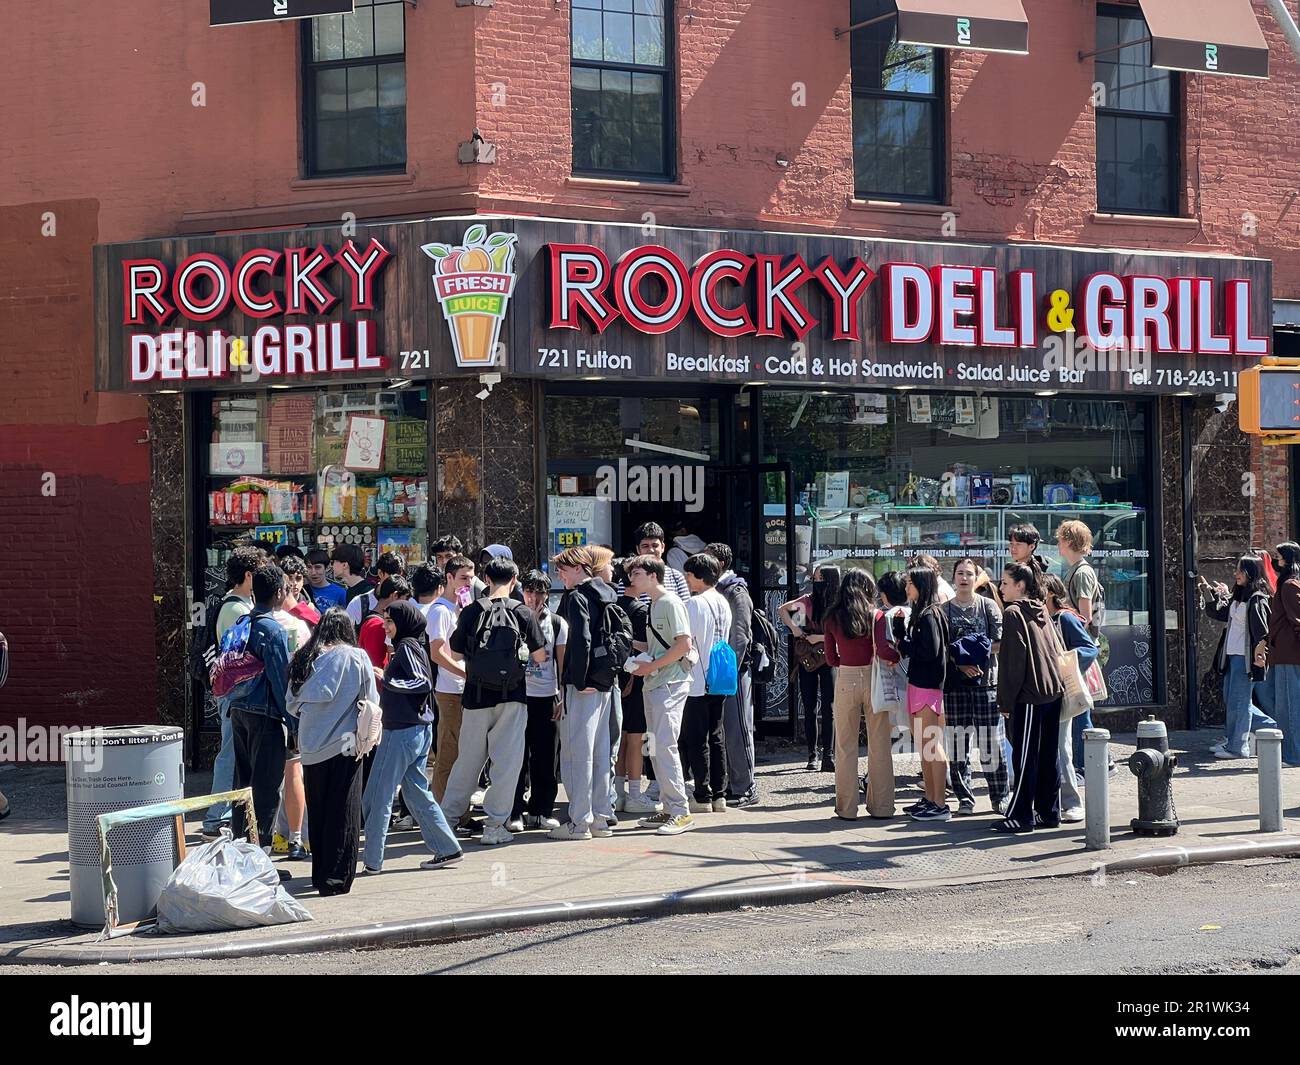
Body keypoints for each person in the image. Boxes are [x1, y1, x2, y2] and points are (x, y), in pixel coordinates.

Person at [441, 557, 547, 845]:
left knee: (468, 762)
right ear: (514, 581)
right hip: (513, 695)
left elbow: (457, 653)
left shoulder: (473, 611)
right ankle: (495, 826)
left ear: (486, 580)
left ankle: (447, 821)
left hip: (475, 695)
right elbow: (540, 656)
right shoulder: (522, 612)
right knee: (506, 762)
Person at [361, 601, 464, 871]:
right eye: (385, 621)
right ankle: (447, 848)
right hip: (416, 730)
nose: (386, 626)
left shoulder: (406, 647)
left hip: (402, 731)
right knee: (417, 793)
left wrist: (387, 679)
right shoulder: (412, 645)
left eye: (390, 621)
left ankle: (372, 861)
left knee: (378, 795)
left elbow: (421, 682)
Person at [286, 609, 376, 895]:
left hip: (312, 745)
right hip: (346, 745)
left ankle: (320, 873)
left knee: (319, 809)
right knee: (344, 811)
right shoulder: (357, 657)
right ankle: (337, 878)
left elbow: (291, 702)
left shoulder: (305, 658)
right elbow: (371, 700)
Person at [626, 554, 697, 835]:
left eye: (637, 574)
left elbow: (683, 644)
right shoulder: (655, 603)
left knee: (664, 746)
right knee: (655, 747)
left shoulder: (669, 602)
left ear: (653, 575)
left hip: (669, 683)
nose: (632, 579)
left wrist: (650, 666)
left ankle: (680, 811)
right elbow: (661, 644)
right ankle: (670, 807)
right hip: (656, 683)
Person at [552, 546, 619, 841]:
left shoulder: (577, 597)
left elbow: (580, 640)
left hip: (583, 685)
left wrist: (577, 681)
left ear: (578, 569)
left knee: (576, 754)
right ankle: (600, 819)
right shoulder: (607, 594)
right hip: (606, 682)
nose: (559, 575)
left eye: (563, 569)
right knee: (600, 752)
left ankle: (579, 822)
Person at [993, 562, 1065, 834]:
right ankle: (1049, 812)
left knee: (1025, 758)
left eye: (1005, 583)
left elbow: (1013, 662)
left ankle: (1021, 815)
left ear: (1019, 585)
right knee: (1048, 754)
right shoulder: (1040, 608)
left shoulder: (1013, 613)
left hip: (1030, 694)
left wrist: (1005, 702)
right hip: (1052, 691)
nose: (1001, 588)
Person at [228, 565, 293, 856]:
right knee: (265, 789)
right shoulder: (272, 630)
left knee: (242, 786)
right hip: (265, 714)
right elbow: (281, 681)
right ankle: (260, 857)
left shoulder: (241, 622)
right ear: (279, 592)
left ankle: (239, 849)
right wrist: (293, 723)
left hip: (239, 709)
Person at [202, 546, 263, 838]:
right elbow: (240, 659)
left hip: (233, 694)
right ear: (249, 575)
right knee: (230, 755)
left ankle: (224, 815)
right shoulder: (236, 610)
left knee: (233, 754)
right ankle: (216, 818)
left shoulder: (235, 606)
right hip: (235, 694)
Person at [943, 558, 1008, 817]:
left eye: (969, 574)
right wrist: (960, 663)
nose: (964, 578)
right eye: (960, 573)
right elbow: (941, 647)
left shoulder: (988, 606)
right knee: (958, 743)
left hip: (986, 683)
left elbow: (1002, 641)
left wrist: (974, 656)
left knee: (991, 743)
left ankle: (999, 796)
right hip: (956, 686)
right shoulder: (944, 610)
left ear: (976, 577)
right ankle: (964, 798)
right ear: (953, 577)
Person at [892, 567, 951, 822]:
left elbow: (930, 652)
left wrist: (903, 641)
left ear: (921, 584)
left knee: (931, 745)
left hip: (928, 688)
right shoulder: (924, 613)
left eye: (910, 583)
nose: (906, 588)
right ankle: (930, 798)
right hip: (920, 686)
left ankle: (939, 802)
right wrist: (902, 634)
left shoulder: (930, 614)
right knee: (925, 746)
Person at [1055, 519, 1113, 776]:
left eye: (1060, 539)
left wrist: (1062, 614)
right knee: (1079, 706)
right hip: (1079, 645)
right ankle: (1092, 760)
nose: (1058, 544)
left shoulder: (1082, 572)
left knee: (1079, 706)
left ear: (1068, 541)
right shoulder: (1076, 570)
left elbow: (1085, 615)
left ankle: (1091, 762)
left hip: (1082, 646)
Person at [1204, 555, 1277, 759]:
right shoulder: (1240, 597)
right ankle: (1245, 736)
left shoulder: (1258, 599)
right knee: (1233, 699)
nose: (1235, 574)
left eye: (1240, 570)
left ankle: (1239, 746)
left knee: (1240, 702)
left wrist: (1260, 655)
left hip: (1246, 658)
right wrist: (1213, 594)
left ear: (1251, 572)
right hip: (1232, 656)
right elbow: (1220, 614)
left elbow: (1262, 632)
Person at [514, 570, 567, 830]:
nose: (533, 597)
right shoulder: (514, 616)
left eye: (539, 592)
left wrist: (562, 697)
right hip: (518, 695)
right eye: (529, 591)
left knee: (546, 756)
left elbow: (561, 663)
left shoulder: (557, 623)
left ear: (547, 594)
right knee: (515, 756)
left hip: (546, 695)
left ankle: (543, 809)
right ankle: (515, 811)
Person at [270, 557, 315, 861]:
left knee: (289, 775)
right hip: (295, 704)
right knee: (292, 773)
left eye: (300, 577)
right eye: (292, 578)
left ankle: (287, 834)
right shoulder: (299, 621)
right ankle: (291, 835)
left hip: (270, 706)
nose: (297, 584)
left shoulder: (304, 615)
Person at [706, 543, 757, 808]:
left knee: (738, 729)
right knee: (724, 730)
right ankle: (730, 784)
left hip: (733, 672)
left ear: (720, 564)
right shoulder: (718, 590)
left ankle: (746, 786)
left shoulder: (736, 591)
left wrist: (727, 672)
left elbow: (740, 637)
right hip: (719, 671)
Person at [681, 553, 733, 813]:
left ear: (699, 576)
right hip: (720, 677)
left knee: (696, 738)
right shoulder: (723, 601)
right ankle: (719, 795)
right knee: (717, 735)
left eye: (689, 575)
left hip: (697, 680)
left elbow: (686, 641)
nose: (687, 580)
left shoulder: (694, 603)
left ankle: (702, 794)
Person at [824, 568, 877, 821]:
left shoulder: (833, 616)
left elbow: (831, 658)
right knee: (878, 745)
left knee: (844, 746)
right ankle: (883, 806)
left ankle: (847, 809)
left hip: (846, 676)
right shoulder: (874, 615)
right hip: (874, 677)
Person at [779, 564, 840, 771]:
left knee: (829, 707)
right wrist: (796, 630)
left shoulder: (838, 603)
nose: (817, 582)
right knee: (810, 706)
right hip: (810, 659)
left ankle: (828, 755)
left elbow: (842, 633)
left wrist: (818, 637)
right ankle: (812, 754)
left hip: (830, 657)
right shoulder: (807, 601)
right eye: (815, 578)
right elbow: (783, 610)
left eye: (821, 578)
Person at [1041, 574, 1091, 823]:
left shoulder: (1065, 618)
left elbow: (1089, 649)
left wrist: (1063, 662)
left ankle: (1072, 801)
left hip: (1061, 693)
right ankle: (1050, 802)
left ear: (1050, 592)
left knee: (1062, 749)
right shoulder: (1038, 619)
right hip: (1041, 692)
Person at [611, 557, 656, 814]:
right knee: (636, 737)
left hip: (615, 678)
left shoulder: (613, 606)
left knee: (621, 736)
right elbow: (649, 646)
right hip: (637, 678)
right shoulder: (639, 610)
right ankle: (636, 794)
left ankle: (617, 792)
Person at [428, 555, 474, 802]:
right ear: (449, 578)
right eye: (463, 577)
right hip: (449, 688)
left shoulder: (461, 608)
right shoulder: (440, 611)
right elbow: (437, 653)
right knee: (448, 750)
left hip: (462, 687)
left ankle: (458, 808)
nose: (468, 582)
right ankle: (443, 809)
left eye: (471, 576)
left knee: (463, 752)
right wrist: (464, 673)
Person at [1263, 542, 1300, 767]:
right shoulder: (1288, 583)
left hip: (1289, 654)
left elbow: (1297, 620)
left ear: (1287, 558)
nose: (1276, 561)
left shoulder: (1289, 585)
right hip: (1283, 652)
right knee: (1283, 705)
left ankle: (1292, 755)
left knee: (1289, 707)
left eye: (1279, 556)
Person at [357, 576, 412, 680]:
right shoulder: (377, 625)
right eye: (405, 600)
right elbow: (374, 667)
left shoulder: (375, 622)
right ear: (395, 596)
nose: (406, 605)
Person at [346, 551, 405, 627]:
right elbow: (346, 635)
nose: (397, 581)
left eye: (400, 577)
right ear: (380, 573)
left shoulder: (408, 603)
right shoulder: (358, 604)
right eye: (392, 576)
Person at [633, 522, 690, 600]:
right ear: (638, 549)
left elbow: (685, 608)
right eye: (645, 546)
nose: (651, 550)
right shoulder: (629, 578)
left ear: (663, 547)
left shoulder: (677, 577)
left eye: (655, 545)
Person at [280, 555, 322, 629]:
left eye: (298, 578)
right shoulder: (276, 604)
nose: (294, 583)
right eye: (290, 578)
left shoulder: (310, 607)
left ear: (303, 580)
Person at [303, 547, 346, 612]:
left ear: (327, 568)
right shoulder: (302, 591)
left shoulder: (340, 593)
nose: (313, 572)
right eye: (309, 567)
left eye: (318, 567)